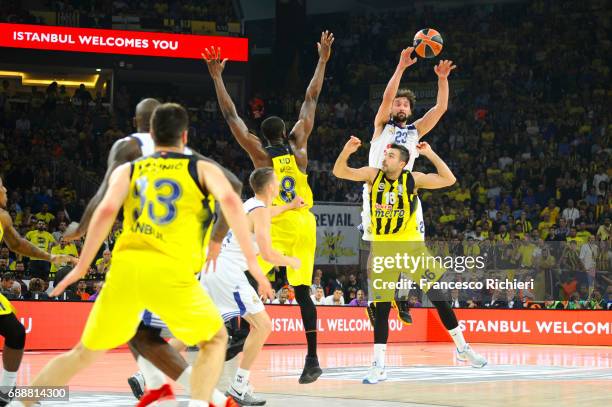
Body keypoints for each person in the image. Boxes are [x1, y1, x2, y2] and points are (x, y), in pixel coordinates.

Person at [12, 103, 273, 407]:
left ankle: (20, 403)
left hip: (126, 272)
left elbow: (106, 210)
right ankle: (199, 403)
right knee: (215, 340)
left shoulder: (130, 168)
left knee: (81, 353)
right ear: (185, 136)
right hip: (172, 274)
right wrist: (243, 258)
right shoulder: (200, 167)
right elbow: (230, 200)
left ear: (151, 133)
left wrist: (83, 265)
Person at [63, 97, 243, 406]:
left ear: (137, 123)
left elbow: (103, 199)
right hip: (185, 256)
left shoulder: (128, 149)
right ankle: (169, 386)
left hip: (149, 257)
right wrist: (216, 237)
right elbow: (236, 186)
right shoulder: (188, 155)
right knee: (142, 330)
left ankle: (200, 394)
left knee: (146, 332)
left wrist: (79, 229)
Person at [204, 31, 334, 384]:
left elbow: (231, 116)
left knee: (244, 275)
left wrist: (217, 77)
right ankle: (312, 360)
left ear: (263, 135)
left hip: (275, 221)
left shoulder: (260, 155)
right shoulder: (301, 148)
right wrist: (322, 59)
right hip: (304, 223)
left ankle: (240, 332)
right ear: (290, 133)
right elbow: (312, 96)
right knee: (304, 292)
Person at [333, 138, 487, 384]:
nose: (385, 158)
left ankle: (463, 347)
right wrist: (346, 150)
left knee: (439, 297)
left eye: (391, 156)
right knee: (381, 308)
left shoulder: (412, 179)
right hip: (384, 249)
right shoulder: (373, 176)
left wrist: (431, 153)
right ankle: (379, 365)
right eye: (385, 155)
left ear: (403, 162)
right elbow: (339, 171)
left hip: (411, 248)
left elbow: (449, 179)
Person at [361, 48, 456, 329]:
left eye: (405, 105)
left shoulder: (415, 132)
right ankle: (374, 299)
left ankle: (401, 296)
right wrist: (401, 66)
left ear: (410, 111)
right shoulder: (381, 127)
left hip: (406, 195)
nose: (400, 107)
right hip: (376, 193)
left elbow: (440, 109)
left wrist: (442, 79)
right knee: (376, 250)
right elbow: (386, 96)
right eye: (397, 104)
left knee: (413, 247)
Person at [0, 177, 76, 406]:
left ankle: (5, 391)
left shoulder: (3, 217)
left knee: (15, 333)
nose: (5, 189)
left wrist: (50, 256)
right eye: (1, 185)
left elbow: (18, 244)